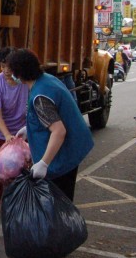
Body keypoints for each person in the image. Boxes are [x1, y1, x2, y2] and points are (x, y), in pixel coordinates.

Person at [8, 49, 93, 201]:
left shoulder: (40, 96)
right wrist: (30, 128)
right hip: (72, 149)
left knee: (59, 205)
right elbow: (52, 115)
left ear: (20, 73)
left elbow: (59, 131)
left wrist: (43, 163)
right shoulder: (47, 79)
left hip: (63, 157)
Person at [0, 46, 28, 222]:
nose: (6, 71)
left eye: (9, 66)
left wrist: (24, 132)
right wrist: (7, 136)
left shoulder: (25, 82)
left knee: (23, 169)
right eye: (2, 66)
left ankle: (21, 205)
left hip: (21, 131)